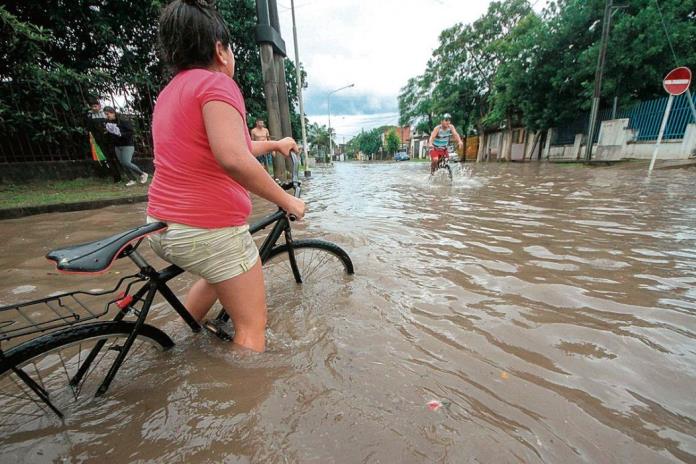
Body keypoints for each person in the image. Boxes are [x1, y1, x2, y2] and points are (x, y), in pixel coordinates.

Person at [147, 0, 305, 352]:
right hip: (208, 231)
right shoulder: (217, 85)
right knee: (252, 328)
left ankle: (173, 351)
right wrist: (286, 199)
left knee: (215, 273)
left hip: (163, 227)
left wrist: (275, 144)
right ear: (220, 50)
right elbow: (233, 157)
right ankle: (245, 401)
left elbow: (228, 146)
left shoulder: (170, 92)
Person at [104, 106, 149, 186]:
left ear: (113, 113)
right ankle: (132, 179)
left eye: (108, 114)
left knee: (126, 162)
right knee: (122, 163)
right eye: (106, 114)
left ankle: (142, 174)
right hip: (117, 146)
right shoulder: (108, 123)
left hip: (127, 145)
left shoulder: (123, 120)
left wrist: (120, 134)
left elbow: (130, 132)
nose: (107, 116)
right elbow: (111, 134)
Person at [86, 98, 122, 183]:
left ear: (99, 106)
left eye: (95, 106)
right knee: (108, 158)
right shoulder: (89, 116)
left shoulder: (105, 113)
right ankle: (117, 177)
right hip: (99, 140)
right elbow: (90, 129)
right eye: (92, 107)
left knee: (116, 156)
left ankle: (126, 173)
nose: (94, 108)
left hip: (110, 138)